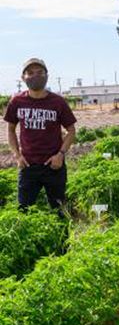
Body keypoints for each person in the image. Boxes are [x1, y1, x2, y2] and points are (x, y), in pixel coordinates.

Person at [4, 58, 77, 217]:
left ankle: (63, 241)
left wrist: (61, 155)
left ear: (46, 76)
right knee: (24, 212)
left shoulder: (58, 102)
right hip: (28, 166)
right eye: (30, 73)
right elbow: (10, 129)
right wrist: (17, 156)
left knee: (60, 212)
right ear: (23, 78)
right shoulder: (17, 101)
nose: (35, 76)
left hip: (54, 166)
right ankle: (26, 242)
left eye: (39, 72)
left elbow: (71, 130)